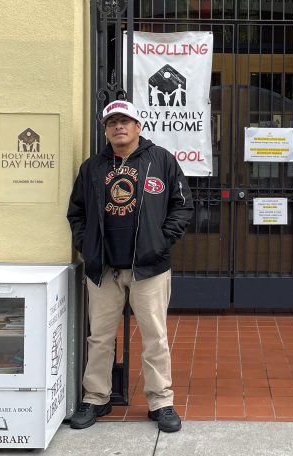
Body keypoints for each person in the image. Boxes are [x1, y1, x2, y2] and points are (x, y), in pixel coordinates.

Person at [67, 99, 193, 433]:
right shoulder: (92, 167)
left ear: (138, 127)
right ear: (106, 130)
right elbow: (76, 212)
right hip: (104, 268)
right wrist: (87, 246)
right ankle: (96, 397)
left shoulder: (161, 160)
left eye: (125, 121)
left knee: (155, 336)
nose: (119, 127)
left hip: (149, 268)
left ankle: (161, 402)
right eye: (112, 123)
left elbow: (182, 206)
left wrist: (161, 242)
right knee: (100, 337)